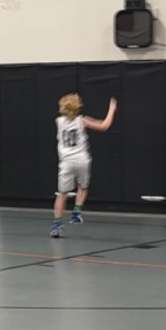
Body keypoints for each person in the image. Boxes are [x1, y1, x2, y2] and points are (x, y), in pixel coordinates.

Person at [50, 91, 116, 238]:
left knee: (62, 194)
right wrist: (111, 110)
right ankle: (76, 212)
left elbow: (81, 120)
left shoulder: (58, 121)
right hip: (81, 159)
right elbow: (104, 126)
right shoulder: (82, 121)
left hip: (66, 162)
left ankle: (57, 225)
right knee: (83, 187)